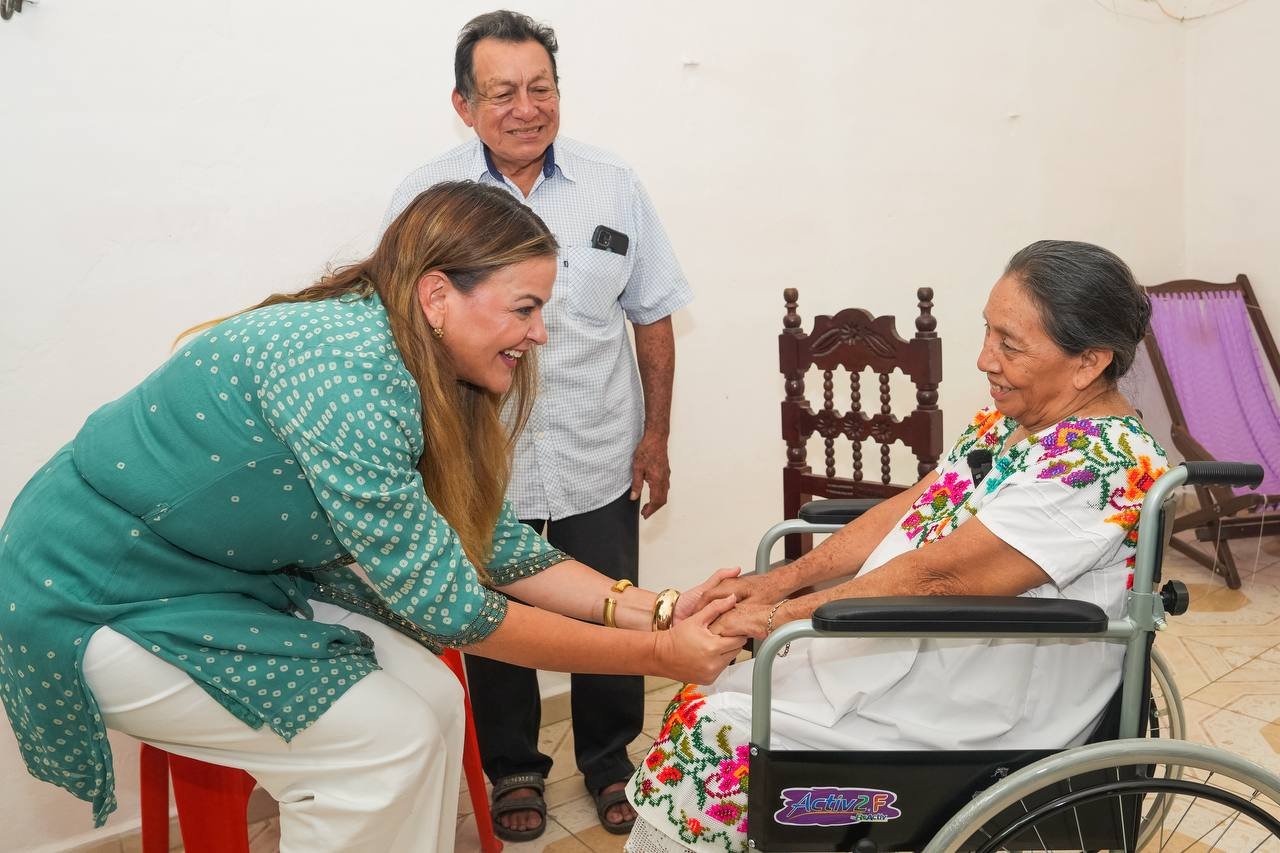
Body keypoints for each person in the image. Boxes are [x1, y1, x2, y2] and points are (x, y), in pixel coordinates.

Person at [0, 181, 743, 853]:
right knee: (385, 742)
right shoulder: (351, 373)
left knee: (435, 700)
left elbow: (483, 536)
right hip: (90, 586)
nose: (540, 332)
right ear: (437, 296)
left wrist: (656, 609)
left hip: (210, 576)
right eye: (526, 307)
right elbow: (458, 611)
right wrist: (660, 655)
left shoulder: (408, 353)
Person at [624, 240, 1168, 853]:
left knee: (724, 734)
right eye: (987, 333)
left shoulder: (1103, 464)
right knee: (714, 701)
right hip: (921, 652)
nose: (985, 359)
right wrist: (780, 580)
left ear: (1088, 362)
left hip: (982, 701)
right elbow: (920, 505)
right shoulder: (1016, 421)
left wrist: (776, 619)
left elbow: (942, 579)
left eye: (1010, 344)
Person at [382, 10, 692, 840]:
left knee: (611, 604)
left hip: (598, 447)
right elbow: (403, 329)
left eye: (540, 88)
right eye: (501, 93)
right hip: (480, 460)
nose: (525, 108)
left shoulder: (613, 180)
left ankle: (610, 760)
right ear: (463, 103)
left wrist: (655, 435)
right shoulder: (427, 195)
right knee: (489, 619)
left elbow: (654, 313)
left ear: (559, 92)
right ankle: (513, 766)